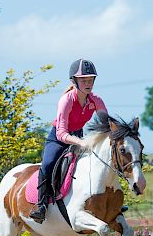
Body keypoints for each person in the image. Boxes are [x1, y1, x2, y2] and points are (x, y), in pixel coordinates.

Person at [29, 59, 108, 223]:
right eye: (84, 80)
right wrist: (81, 143)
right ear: (74, 81)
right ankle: (41, 205)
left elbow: (106, 124)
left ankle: (107, 201)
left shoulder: (96, 100)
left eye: (91, 79)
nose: (88, 83)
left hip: (79, 136)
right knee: (48, 163)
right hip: (58, 139)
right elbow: (62, 133)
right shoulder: (66, 100)